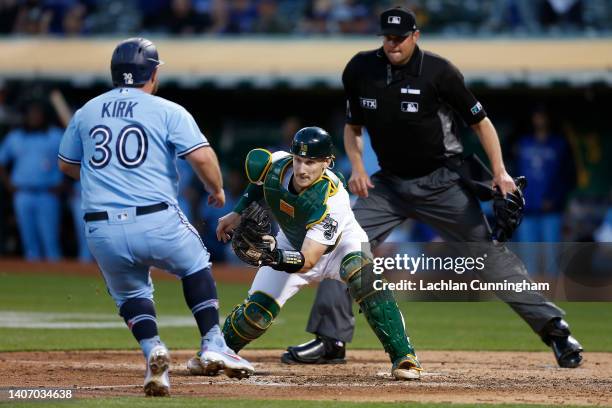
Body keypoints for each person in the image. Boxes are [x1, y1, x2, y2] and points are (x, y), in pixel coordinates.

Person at [284, 7, 583, 369]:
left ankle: (556, 332)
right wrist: (359, 167)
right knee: (340, 245)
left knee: (488, 258)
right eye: (387, 37)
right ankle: (330, 340)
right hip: (389, 184)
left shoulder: (439, 72)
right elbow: (353, 126)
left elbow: (481, 123)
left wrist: (501, 173)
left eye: (399, 37)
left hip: (441, 182)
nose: (392, 43)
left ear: (415, 36)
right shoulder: (361, 70)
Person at [57, 37, 253, 397]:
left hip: (102, 227)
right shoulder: (167, 110)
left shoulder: (87, 111)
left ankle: (153, 352)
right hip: (156, 218)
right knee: (195, 264)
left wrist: (106, 175)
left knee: (130, 292)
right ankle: (213, 342)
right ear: (153, 72)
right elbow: (204, 158)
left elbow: (67, 165)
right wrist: (217, 190)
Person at [211, 126, 423, 380]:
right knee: (255, 313)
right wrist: (238, 212)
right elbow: (259, 183)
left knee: (363, 275)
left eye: (310, 162)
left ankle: (404, 356)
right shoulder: (277, 165)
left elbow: (309, 260)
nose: (301, 169)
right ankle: (215, 352)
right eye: (298, 160)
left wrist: (273, 256)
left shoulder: (333, 198)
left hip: (341, 247)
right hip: (290, 243)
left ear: (327, 162)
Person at [0, 99, 63, 262]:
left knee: (50, 241)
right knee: (29, 243)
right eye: (31, 114)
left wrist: (65, 184)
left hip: (47, 194)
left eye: (38, 114)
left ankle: (56, 277)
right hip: (23, 193)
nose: (34, 117)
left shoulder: (55, 135)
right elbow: (1, 161)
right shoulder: (16, 137)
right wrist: (8, 185)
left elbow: (73, 159)